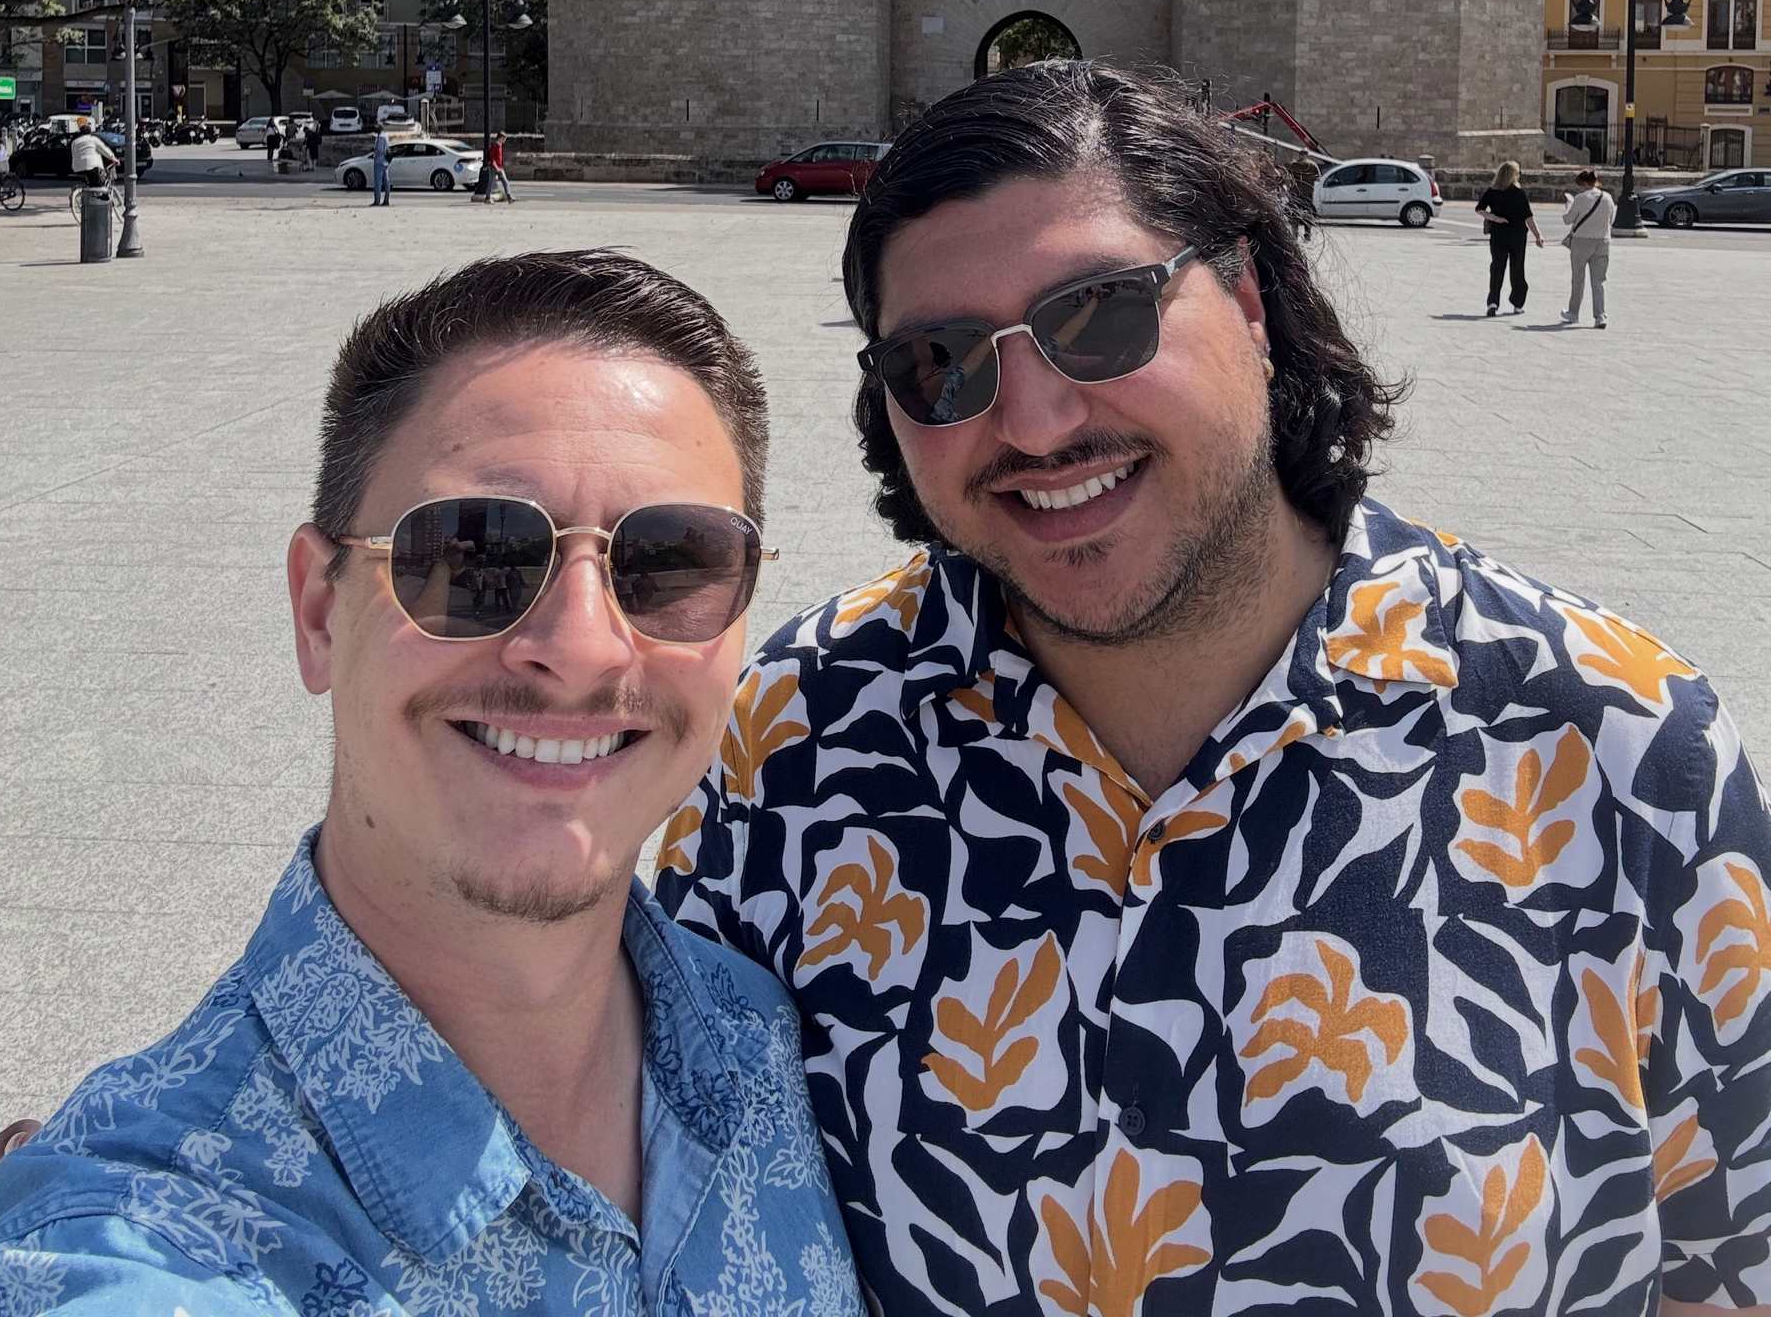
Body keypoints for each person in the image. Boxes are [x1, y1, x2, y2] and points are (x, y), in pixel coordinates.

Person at [659, 63, 1771, 1317]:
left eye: (1100, 314)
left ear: (1246, 295)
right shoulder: (790, 744)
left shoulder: (1618, 748)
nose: (1031, 420)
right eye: (939, 362)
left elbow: (1729, 1262)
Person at [0, 251, 863, 1316]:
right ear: (318, 611)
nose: (580, 648)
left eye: (668, 564)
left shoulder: (779, 1040)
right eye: (472, 554)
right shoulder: (141, 1239)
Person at [1474, 155, 1541, 312]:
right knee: (1517, 268)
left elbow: (1480, 208)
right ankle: (1517, 303)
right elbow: (1528, 217)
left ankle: (1493, 302)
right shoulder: (1519, 193)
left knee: (1497, 267)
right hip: (1517, 235)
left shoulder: (1492, 191)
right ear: (1514, 175)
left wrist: (1494, 218)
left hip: (1499, 234)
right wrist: (1538, 235)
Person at [1561, 164, 1616, 328]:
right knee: (1599, 282)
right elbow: (1611, 220)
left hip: (1581, 242)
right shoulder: (1607, 197)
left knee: (1578, 279)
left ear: (1584, 184)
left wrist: (1568, 205)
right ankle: (1600, 316)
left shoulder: (1580, 198)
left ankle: (1573, 313)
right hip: (1602, 242)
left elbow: (1567, 219)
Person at [68, 118, 116, 188]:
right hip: (92, 166)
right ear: (90, 132)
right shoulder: (93, 140)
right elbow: (104, 150)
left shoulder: (75, 142)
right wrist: (113, 158)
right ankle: (102, 194)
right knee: (99, 182)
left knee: (90, 182)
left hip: (77, 167)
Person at [1285, 148, 1319, 240]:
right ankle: (1307, 234)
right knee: (1308, 214)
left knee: (1294, 214)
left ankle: (1294, 234)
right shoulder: (1313, 165)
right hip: (1307, 193)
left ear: (1299, 154)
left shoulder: (1295, 165)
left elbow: (1288, 176)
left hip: (1295, 193)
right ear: (1308, 155)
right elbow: (1317, 178)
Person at [488, 129, 514, 204]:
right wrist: (497, 168)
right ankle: (488, 197)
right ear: (500, 138)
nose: (505, 140)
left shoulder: (500, 146)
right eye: (504, 138)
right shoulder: (494, 146)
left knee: (505, 182)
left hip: (500, 167)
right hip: (494, 168)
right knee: (491, 183)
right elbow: (492, 159)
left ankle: (509, 197)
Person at [372, 121, 392, 206]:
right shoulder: (386, 136)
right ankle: (386, 200)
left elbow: (380, 150)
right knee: (387, 182)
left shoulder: (380, 137)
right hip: (385, 162)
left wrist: (375, 153)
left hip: (379, 161)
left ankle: (377, 201)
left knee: (378, 183)